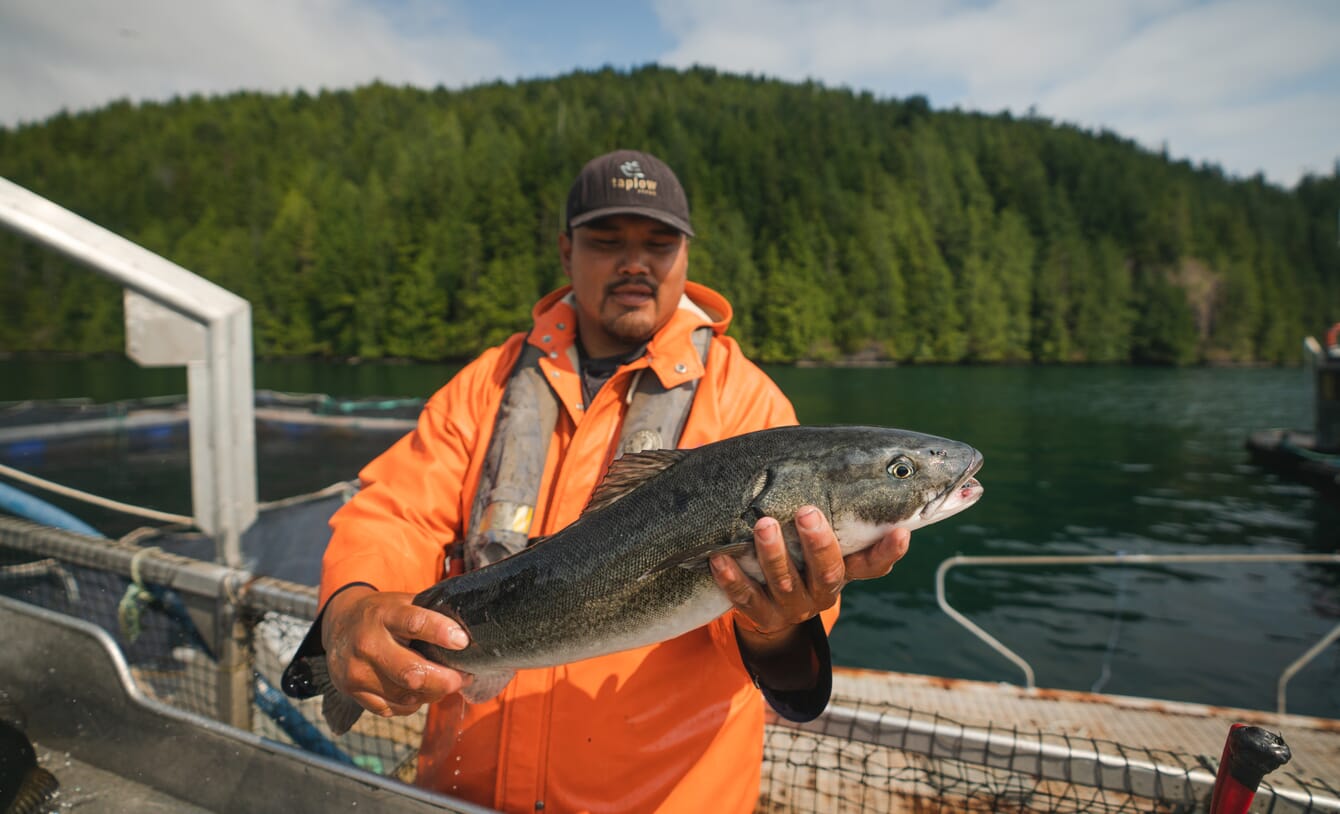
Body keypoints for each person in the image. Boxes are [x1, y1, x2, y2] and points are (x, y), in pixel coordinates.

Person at [287, 150, 909, 813]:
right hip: (460, 790)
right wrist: (353, 607)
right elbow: (394, 513)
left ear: (687, 255)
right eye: (608, 241)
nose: (634, 262)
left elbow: (780, 651)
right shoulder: (486, 385)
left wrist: (779, 626)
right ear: (566, 251)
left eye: (658, 243)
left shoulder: (751, 409)